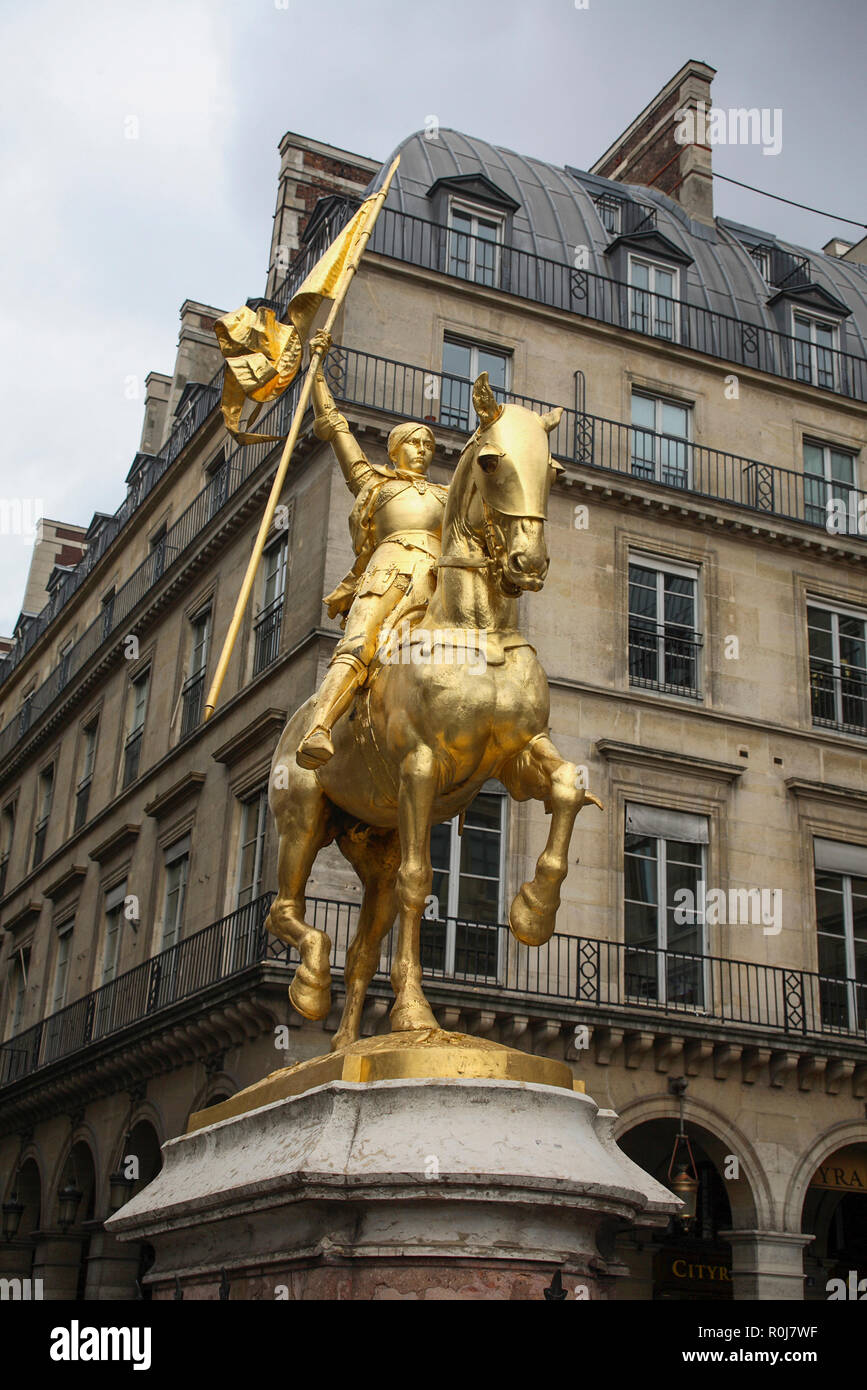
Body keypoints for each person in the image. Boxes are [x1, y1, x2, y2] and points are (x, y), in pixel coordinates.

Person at [296, 332, 449, 769]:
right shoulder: (374, 484)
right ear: (395, 448)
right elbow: (334, 426)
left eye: (428, 446)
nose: (422, 451)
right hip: (389, 570)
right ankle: (320, 726)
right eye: (414, 444)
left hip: (438, 579)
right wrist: (317, 369)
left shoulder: (445, 493)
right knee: (360, 641)